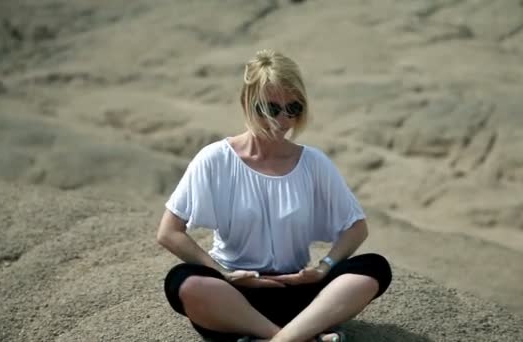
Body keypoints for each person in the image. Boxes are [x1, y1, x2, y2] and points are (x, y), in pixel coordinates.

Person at [156, 49, 392, 342]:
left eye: (292, 108)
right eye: (270, 108)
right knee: (183, 281)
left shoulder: (313, 163)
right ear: (247, 103)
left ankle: (274, 338)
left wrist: (323, 269)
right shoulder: (215, 159)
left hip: (297, 293)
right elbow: (169, 232)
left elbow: (357, 227)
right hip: (234, 296)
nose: (282, 119)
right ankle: (297, 337)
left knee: (373, 267)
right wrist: (221, 273)